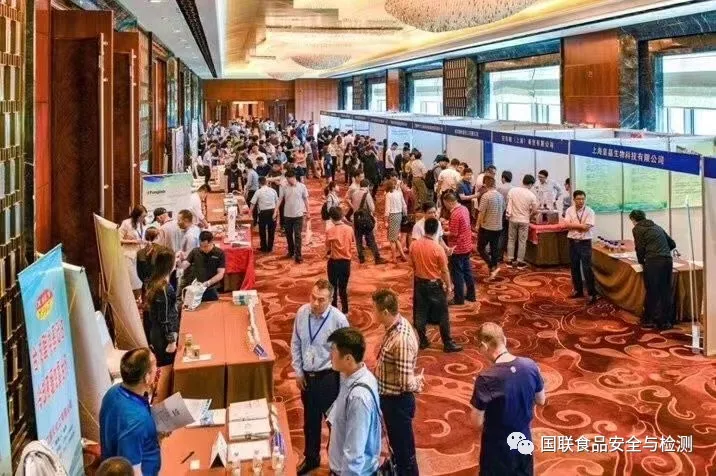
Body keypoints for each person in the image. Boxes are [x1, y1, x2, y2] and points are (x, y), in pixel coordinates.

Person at [290, 280, 350, 475]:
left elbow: (347, 354)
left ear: (330, 300)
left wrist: (345, 386)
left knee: (334, 424)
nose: (315, 303)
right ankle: (311, 459)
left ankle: (336, 465)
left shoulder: (338, 320)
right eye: (313, 297)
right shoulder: (302, 313)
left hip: (329, 378)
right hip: (307, 378)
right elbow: (295, 342)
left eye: (321, 300)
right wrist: (298, 371)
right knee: (310, 422)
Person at [471, 322, 546, 476]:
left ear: (484, 346)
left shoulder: (486, 378)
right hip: (523, 438)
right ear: (504, 339)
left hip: (498, 446)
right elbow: (541, 400)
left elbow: (476, 422)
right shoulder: (530, 365)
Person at [373, 289, 421, 476]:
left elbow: (406, 383)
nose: (372, 313)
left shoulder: (401, 340)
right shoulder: (394, 326)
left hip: (397, 403)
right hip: (391, 400)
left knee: (404, 452)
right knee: (398, 448)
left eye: (374, 310)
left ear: (385, 312)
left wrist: (417, 383)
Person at [326, 327, 381, 476]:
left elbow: (354, 452)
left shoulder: (358, 397)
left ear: (348, 358)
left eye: (333, 350)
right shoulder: (352, 375)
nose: (330, 355)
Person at [100, 348, 161, 476]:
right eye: (155, 365)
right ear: (147, 377)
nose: (157, 368)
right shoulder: (137, 421)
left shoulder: (113, 392)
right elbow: (132, 470)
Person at [409, 217, 462, 353]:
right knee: (443, 314)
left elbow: (411, 264)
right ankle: (448, 343)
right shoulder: (437, 248)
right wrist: (449, 286)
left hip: (419, 283)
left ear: (425, 228)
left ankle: (423, 341)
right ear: (436, 230)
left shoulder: (414, 245)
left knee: (420, 313)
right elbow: (444, 270)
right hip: (434, 285)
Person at [630, 209, 677, 330]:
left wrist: (641, 262)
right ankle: (666, 321)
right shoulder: (657, 226)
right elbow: (672, 244)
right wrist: (662, 250)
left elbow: (640, 248)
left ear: (633, 220)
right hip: (667, 260)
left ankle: (649, 320)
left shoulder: (637, 229)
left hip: (654, 262)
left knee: (652, 290)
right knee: (665, 290)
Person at [144, 248, 179, 366]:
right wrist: (171, 340)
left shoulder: (154, 281)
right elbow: (164, 318)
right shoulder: (163, 288)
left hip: (157, 332)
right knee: (167, 366)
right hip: (163, 336)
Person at [564, 190, 598, 305]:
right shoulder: (569, 210)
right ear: (574, 199)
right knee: (574, 267)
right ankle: (578, 290)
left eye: (583, 199)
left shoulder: (590, 211)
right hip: (572, 241)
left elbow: (587, 227)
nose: (581, 201)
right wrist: (580, 226)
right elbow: (566, 225)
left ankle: (592, 294)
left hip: (585, 243)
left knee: (587, 268)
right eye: (578, 199)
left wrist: (573, 226)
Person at [442, 191, 476, 305]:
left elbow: (454, 233)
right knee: (467, 271)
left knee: (457, 273)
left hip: (457, 247)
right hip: (466, 244)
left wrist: (443, 232)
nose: (445, 207)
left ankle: (459, 298)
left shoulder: (455, 214)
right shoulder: (464, 209)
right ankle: (471, 295)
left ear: (449, 202)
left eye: (445, 204)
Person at [180, 231, 226, 302]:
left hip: (211, 288)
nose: (203, 249)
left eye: (205, 246)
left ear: (211, 242)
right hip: (196, 287)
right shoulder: (195, 251)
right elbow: (184, 265)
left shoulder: (219, 253)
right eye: (201, 246)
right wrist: (180, 261)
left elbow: (220, 274)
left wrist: (208, 283)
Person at [276, 169, 310, 264]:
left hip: (298, 215)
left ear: (293, 177)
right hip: (287, 215)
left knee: (297, 235)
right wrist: (275, 211)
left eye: (288, 179)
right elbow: (280, 199)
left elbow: (306, 200)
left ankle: (298, 255)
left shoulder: (302, 187)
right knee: (289, 235)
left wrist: (308, 212)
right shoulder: (284, 187)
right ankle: (291, 252)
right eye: (286, 179)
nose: (287, 181)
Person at [325, 207, 355, 313]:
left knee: (332, 287)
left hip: (334, 262)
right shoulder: (350, 229)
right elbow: (351, 241)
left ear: (331, 218)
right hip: (346, 262)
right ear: (342, 216)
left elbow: (327, 248)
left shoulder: (330, 231)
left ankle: (333, 310)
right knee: (343, 288)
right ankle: (345, 310)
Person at [476, 176, 505, 281]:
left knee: (480, 248)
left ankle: (491, 266)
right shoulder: (500, 196)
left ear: (485, 184)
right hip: (498, 226)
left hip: (487, 226)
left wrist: (477, 225)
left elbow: (481, 212)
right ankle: (493, 268)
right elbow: (503, 209)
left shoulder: (486, 196)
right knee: (494, 248)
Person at [351, 180, 387, 265]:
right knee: (370, 238)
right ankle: (377, 258)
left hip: (356, 218)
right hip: (365, 219)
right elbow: (372, 208)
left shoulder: (354, 193)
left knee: (358, 239)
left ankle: (361, 258)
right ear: (367, 186)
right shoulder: (367, 194)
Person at [506, 175, 538, 269]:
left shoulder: (513, 190)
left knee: (511, 239)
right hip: (524, 220)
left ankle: (509, 260)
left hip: (513, 219)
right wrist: (529, 216)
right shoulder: (531, 195)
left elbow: (508, 203)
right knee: (522, 241)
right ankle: (520, 262)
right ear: (531, 184)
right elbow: (535, 210)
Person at [119, 205, 147, 299]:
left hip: (141, 255)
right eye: (142, 216)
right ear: (136, 215)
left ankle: (138, 301)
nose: (143, 218)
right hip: (129, 255)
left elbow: (142, 238)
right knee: (133, 281)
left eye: (144, 216)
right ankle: (133, 301)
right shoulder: (126, 223)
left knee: (140, 281)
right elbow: (118, 239)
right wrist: (133, 241)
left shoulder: (143, 224)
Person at [250, 176, 279, 253]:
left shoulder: (258, 191)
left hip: (263, 213)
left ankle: (263, 247)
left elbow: (253, 203)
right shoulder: (273, 190)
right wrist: (276, 212)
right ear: (266, 182)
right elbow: (277, 202)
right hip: (272, 211)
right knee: (271, 231)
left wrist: (250, 213)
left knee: (262, 230)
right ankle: (270, 248)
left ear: (259, 183)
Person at [384, 179, 408, 263]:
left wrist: (386, 221)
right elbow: (404, 206)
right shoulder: (399, 193)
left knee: (392, 239)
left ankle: (394, 258)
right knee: (396, 237)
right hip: (399, 215)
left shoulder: (388, 195)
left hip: (392, 216)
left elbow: (387, 209)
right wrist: (405, 215)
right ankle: (403, 255)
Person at [244, 162, 260, 227]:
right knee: (254, 206)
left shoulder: (250, 173)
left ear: (246, 167)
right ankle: (254, 220)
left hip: (253, 191)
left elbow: (249, 184)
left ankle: (253, 221)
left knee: (251, 206)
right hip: (255, 190)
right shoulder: (254, 172)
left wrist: (245, 188)